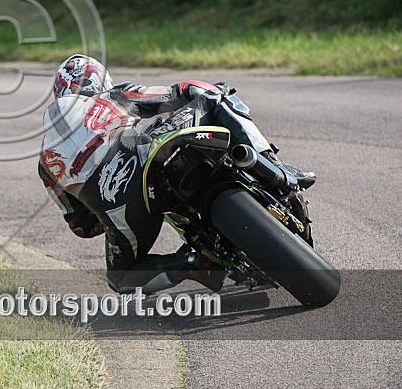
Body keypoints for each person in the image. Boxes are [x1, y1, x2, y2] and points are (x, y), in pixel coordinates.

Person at [38, 54, 315, 294]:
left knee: (121, 278)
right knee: (214, 93)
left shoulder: (45, 162)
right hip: (151, 156)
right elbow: (180, 92)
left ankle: (193, 264)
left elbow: (82, 226)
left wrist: (108, 205)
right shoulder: (112, 96)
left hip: (125, 211)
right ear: (101, 82)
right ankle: (272, 165)